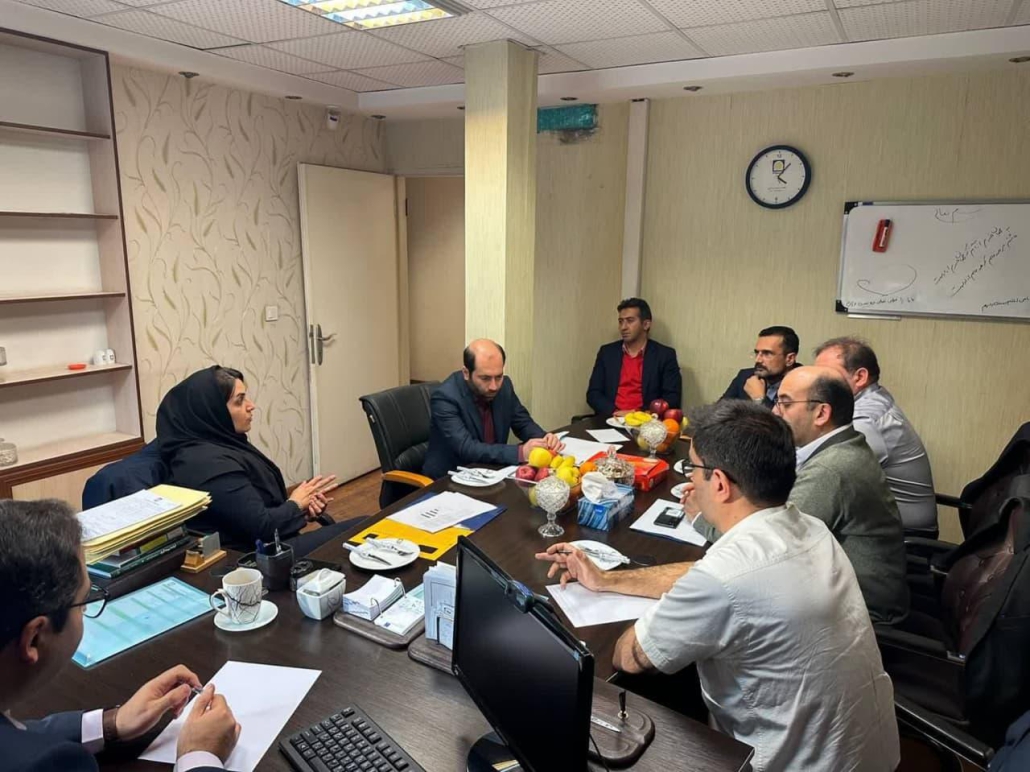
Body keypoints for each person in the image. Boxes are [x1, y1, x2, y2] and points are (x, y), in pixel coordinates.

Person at [537, 402, 899, 772]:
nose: (690, 481)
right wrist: (608, 580)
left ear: (721, 484)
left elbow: (628, 658)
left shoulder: (723, 578)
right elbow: (712, 574)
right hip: (870, 752)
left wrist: (673, 609)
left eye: (693, 468)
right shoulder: (809, 528)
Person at [0, 498, 239, 772]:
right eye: (84, 600)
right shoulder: (52, 764)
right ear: (34, 639)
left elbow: (16, 734)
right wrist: (199, 756)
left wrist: (112, 722)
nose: (86, 609)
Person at [157, 365, 355, 555]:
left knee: (364, 532)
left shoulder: (224, 443)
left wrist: (303, 506)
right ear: (212, 410)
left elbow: (260, 506)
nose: (251, 406)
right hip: (254, 559)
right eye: (239, 401)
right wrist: (295, 505)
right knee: (362, 529)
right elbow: (262, 528)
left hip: (274, 544)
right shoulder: (205, 463)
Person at [814, 336, 938, 534]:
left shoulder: (867, 420)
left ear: (860, 377)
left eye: (827, 376)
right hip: (877, 520)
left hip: (902, 535)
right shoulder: (870, 398)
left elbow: (828, 476)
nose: (817, 385)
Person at [422, 340, 564, 479]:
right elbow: (467, 448)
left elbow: (522, 422)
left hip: (493, 472)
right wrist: (521, 452)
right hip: (451, 478)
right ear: (466, 373)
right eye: (485, 378)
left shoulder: (505, 386)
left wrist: (544, 438)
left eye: (499, 377)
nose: (494, 386)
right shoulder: (445, 397)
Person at [586, 298, 682, 417]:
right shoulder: (607, 353)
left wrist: (638, 414)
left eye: (630, 321)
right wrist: (615, 412)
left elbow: (672, 398)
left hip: (646, 421)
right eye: (621, 321)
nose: (623, 327)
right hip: (611, 419)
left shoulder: (664, 355)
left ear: (646, 324)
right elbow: (593, 394)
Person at [720, 325, 800, 408]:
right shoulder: (746, 376)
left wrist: (759, 399)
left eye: (767, 353)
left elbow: (783, 417)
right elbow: (718, 411)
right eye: (757, 353)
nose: (758, 360)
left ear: (790, 359)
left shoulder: (803, 386)